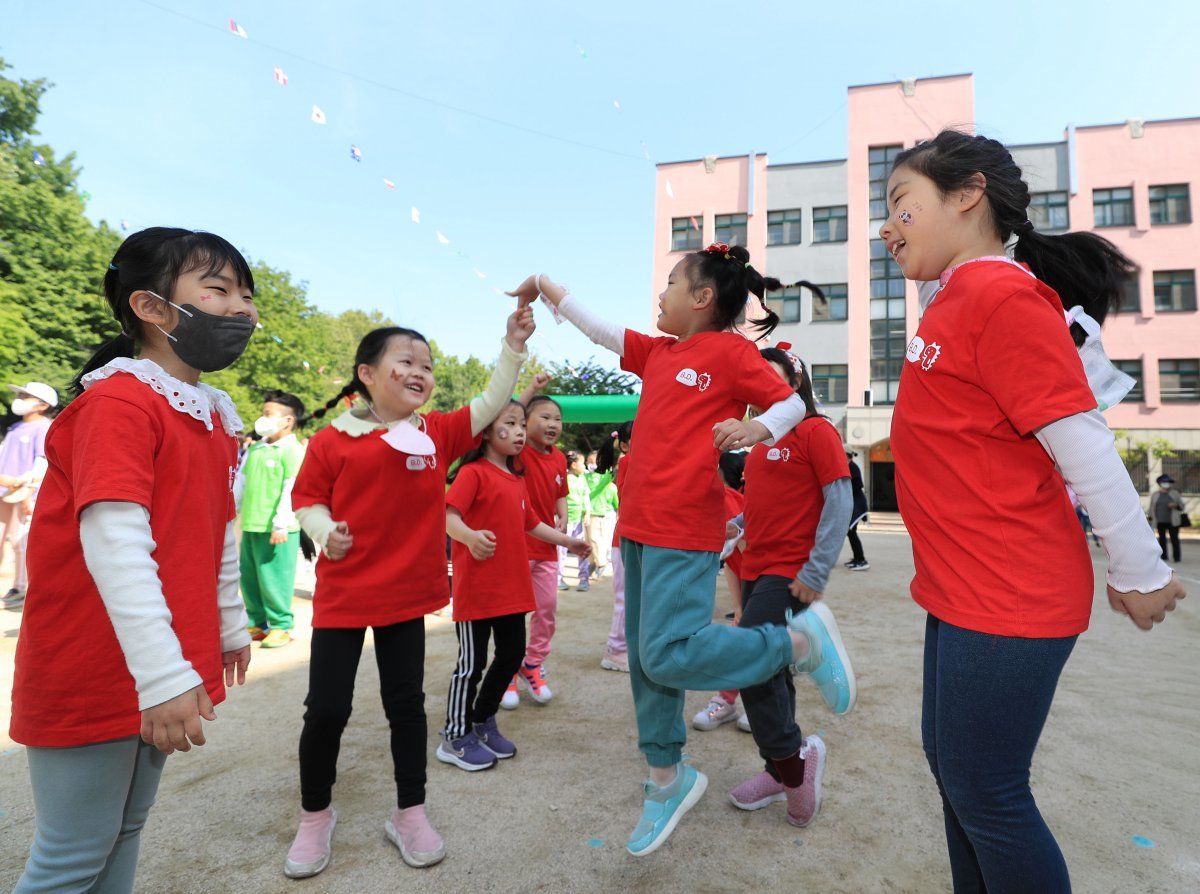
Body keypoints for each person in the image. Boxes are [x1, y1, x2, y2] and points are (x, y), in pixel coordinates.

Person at [880, 129, 1187, 891]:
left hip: (1008, 596)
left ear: (967, 195)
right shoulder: (956, 293)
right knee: (957, 776)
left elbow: (1081, 440)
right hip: (962, 590)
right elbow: (952, 270)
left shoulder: (1001, 295)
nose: (887, 226)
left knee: (989, 791)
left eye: (901, 205)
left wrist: (1141, 567)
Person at [507, 244, 854, 857]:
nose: (659, 295)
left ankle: (798, 643)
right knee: (646, 663)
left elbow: (793, 401)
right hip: (637, 531)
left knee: (668, 654)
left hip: (683, 528)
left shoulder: (728, 352)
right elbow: (600, 330)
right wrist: (544, 285)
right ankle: (666, 779)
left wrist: (758, 427)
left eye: (671, 283)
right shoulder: (660, 352)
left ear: (702, 298)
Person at [9, 227, 257, 892]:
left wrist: (228, 624)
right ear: (151, 307)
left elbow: (218, 534)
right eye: (219, 289)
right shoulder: (118, 403)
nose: (241, 308)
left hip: (157, 664)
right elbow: (116, 546)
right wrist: (163, 677)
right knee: (69, 857)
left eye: (246, 295)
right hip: (99, 662)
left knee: (121, 834)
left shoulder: (210, 414)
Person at [284, 307, 534, 878]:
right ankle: (315, 816)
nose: (421, 372)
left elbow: (491, 402)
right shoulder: (332, 440)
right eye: (407, 361)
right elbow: (307, 501)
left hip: (406, 597)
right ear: (367, 373)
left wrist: (512, 345)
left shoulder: (436, 433)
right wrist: (327, 533)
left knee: (406, 708)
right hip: (344, 596)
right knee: (326, 710)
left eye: (427, 365)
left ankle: (410, 812)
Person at [725, 347, 853, 829]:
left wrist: (817, 571)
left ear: (795, 384)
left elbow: (839, 499)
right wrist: (733, 527)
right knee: (775, 672)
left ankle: (793, 767)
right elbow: (760, 509)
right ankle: (779, 769)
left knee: (750, 660)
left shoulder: (816, 431)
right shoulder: (756, 447)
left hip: (791, 570)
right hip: (755, 567)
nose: (761, 389)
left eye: (771, 378)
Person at [438, 401, 589, 771]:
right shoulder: (472, 473)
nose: (520, 431)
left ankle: (482, 720)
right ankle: (454, 735)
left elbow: (532, 523)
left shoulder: (516, 478)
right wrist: (470, 537)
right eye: (511, 424)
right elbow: (446, 515)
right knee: (470, 666)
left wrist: (568, 542)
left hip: (511, 589)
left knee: (510, 655)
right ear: (486, 432)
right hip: (478, 590)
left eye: (523, 424)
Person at [502, 381, 569, 709]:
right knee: (513, 612)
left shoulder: (559, 459)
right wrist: (530, 389)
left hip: (547, 548)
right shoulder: (520, 449)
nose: (553, 424)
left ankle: (532, 663)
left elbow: (561, 494)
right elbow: (507, 412)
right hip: (516, 546)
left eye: (558, 418)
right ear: (525, 424)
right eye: (545, 417)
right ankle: (507, 672)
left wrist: (563, 516)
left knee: (546, 609)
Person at [236, 390, 306, 648]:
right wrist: (232, 510)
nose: (262, 419)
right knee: (250, 577)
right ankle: (257, 621)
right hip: (251, 524)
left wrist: (281, 523)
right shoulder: (257, 449)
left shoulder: (292, 450)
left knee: (274, 578)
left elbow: (292, 489)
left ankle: (281, 625)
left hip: (278, 528)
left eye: (268, 414)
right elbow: (241, 483)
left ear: (287, 421)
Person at [692, 450, 750, 732]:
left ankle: (733, 700)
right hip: (752, 581)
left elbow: (744, 550)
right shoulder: (729, 499)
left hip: (769, 580)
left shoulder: (727, 500)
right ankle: (731, 700)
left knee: (752, 642)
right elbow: (732, 561)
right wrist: (739, 606)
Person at [0, 381, 57, 609]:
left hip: (24, 492)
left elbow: (42, 462)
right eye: (21, 395)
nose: (20, 399)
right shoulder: (15, 428)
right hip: (5, 490)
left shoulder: (44, 427)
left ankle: (20, 588)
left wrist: (29, 493)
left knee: (18, 539)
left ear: (43, 405)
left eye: (26, 396)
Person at [596, 421, 633, 672]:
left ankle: (623, 647)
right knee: (624, 598)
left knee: (632, 598)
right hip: (626, 540)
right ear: (624, 445)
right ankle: (616, 649)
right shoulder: (629, 462)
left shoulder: (628, 462)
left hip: (631, 539)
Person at [561, 449, 593, 591]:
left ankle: (584, 579)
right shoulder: (565, 479)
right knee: (561, 552)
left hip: (578, 521)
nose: (585, 467)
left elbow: (586, 496)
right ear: (574, 465)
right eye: (582, 463)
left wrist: (587, 512)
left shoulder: (582, 479)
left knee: (582, 550)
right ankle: (559, 579)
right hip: (566, 522)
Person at [1149, 474, 1186, 563]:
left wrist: (1175, 505)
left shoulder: (1174, 493)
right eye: (1165, 482)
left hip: (1173, 521)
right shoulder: (1155, 495)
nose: (1167, 484)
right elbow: (1151, 507)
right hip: (1160, 521)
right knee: (1162, 539)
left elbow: (1182, 506)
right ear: (1160, 483)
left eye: (1168, 482)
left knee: (1174, 539)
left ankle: (1177, 557)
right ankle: (1164, 556)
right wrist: (1150, 519)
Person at [843, 447, 870, 570]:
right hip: (855, 504)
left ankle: (862, 560)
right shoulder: (849, 466)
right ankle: (857, 558)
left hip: (858, 504)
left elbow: (859, 484)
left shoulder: (852, 466)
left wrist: (847, 492)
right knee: (851, 532)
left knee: (851, 531)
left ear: (847, 455)